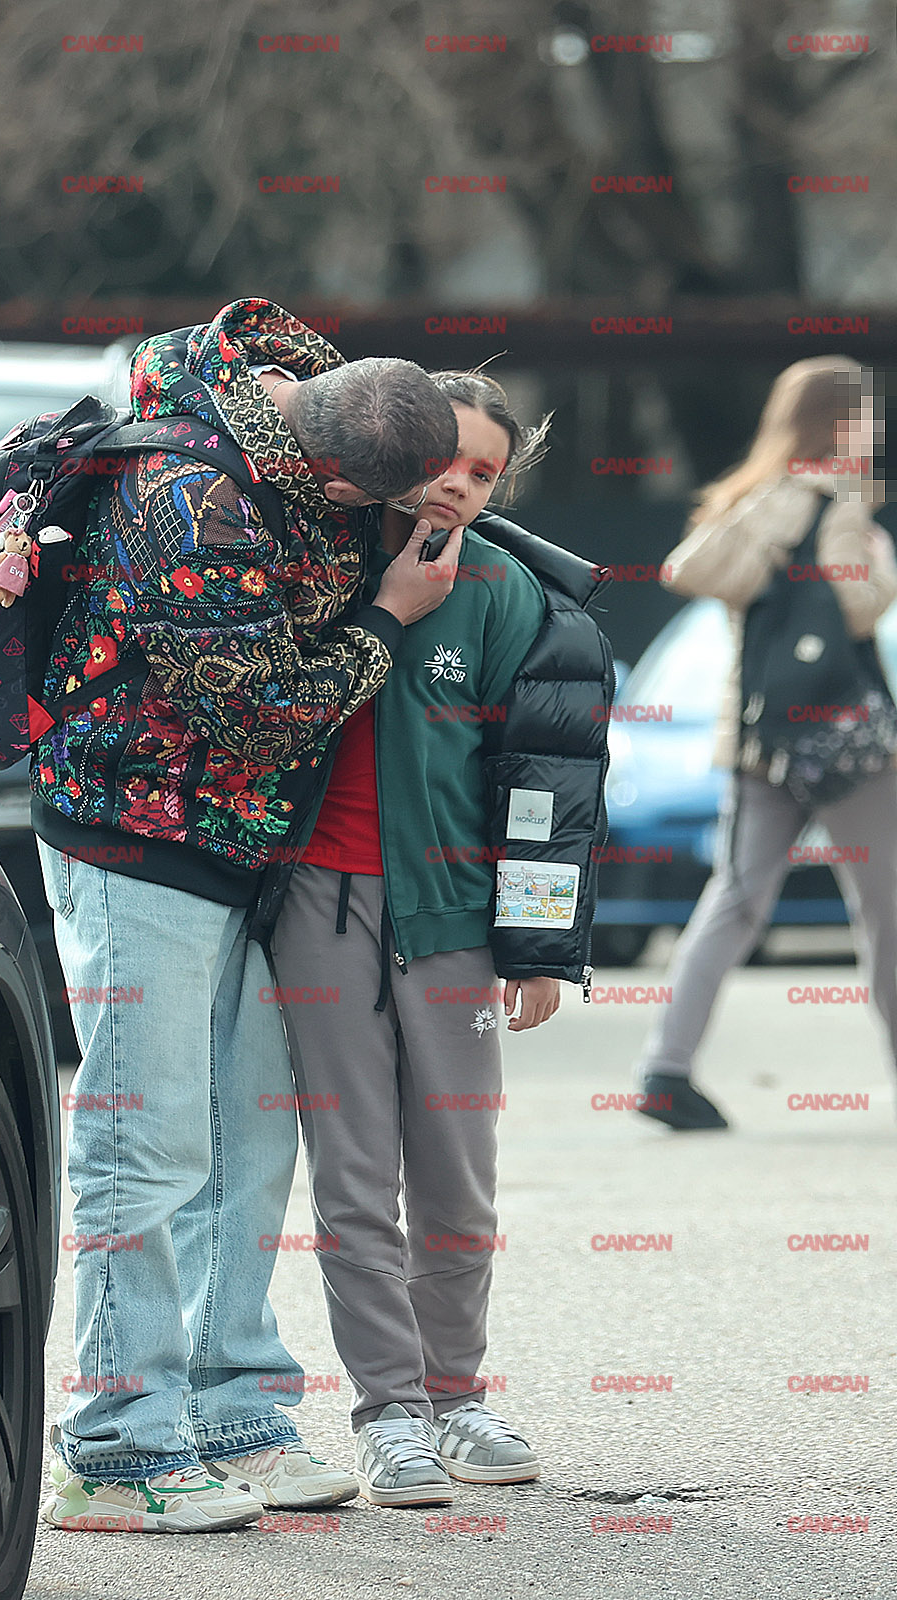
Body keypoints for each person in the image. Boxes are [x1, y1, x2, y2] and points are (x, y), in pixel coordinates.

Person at [35, 298, 468, 1534]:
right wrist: (389, 614)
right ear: (330, 474)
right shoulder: (190, 499)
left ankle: (232, 1412)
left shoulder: (301, 390)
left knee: (243, 1147)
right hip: (136, 838)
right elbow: (262, 716)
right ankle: (115, 1448)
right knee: (146, 1146)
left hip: (240, 844)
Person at [265, 370, 612, 1505]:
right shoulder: (314, 563)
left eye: (484, 472)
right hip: (320, 908)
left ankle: (457, 1397)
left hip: (456, 917)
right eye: (444, 459)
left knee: (458, 1179)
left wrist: (539, 948)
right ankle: (390, 1415)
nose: (458, 485)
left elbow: (548, 782)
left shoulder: (510, 594)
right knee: (355, 1177)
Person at [633, 355, 897, 1131]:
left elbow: (690, 572)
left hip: (782, 740)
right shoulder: (810, 502)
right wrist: (851, 541)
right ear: (834, 423)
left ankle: (665, 1070)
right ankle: (665, 1072)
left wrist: (807, 520)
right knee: (876, 912)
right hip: (825, 743)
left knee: (744, 900)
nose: (877, 428)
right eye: (866, 414)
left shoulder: (790, 503)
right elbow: (855, 607)